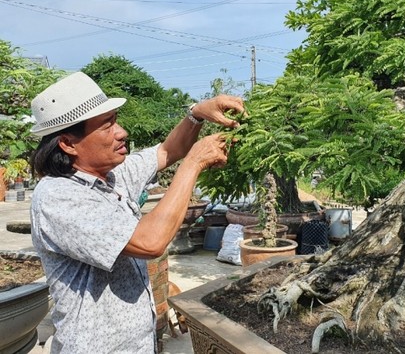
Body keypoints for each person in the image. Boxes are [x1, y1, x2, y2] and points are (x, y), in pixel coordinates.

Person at [28, 72, 244, 353]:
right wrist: (194, 164)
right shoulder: (58, 197)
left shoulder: (112, 174)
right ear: (68, 143)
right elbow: (150, 241)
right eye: (107, 126)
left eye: (115, 120)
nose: (121, 132)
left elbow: (168, 150)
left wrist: (196, 114)